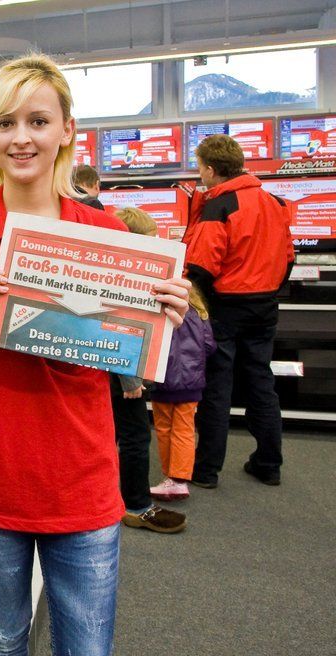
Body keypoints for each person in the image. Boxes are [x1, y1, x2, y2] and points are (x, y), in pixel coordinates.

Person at [0, 54, 190, 656]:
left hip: (82, 481)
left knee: (86, 647)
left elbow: (129, 364)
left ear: (66, 131)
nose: (21, 138)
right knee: (2, 641)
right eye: (5, 123)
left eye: (38, 121)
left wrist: (160, 321)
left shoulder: (108, 237)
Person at [186, 134, 294, 488]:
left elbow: (201, 266)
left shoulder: (219, 206)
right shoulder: (274, 202)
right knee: (261, 382)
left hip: (225, 307)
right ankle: (269, 463)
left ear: (211, 169)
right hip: (265, 306)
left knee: (218, 388)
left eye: (200, 167)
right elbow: (289, 257)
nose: (199, 174)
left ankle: (206, 471)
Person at [111, 207, 186, 533]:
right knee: (135, 438)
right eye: (151, 239)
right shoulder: (128, 277)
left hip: (121, 372)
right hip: (123, 375)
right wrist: (131, 378)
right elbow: (117, 327)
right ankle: (136, 505)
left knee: (117, 437)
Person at [149, 283, 216, 501]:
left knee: (164, 429)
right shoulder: (199, 314)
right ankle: (179, 480)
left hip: (164, 380)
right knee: (185, 430)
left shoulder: (161, 311)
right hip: (192, 381)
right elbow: (210, 346)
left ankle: (171, 478)